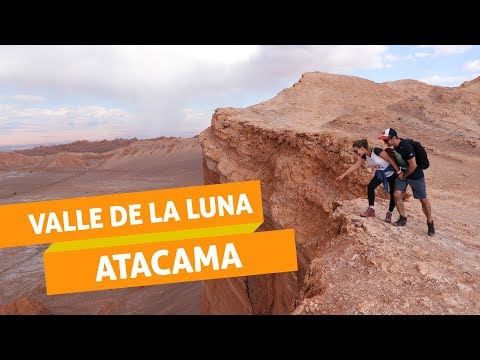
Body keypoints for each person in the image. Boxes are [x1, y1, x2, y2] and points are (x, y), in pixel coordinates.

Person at [378, 128, 435, 236]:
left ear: (394, 138)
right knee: (396, 194)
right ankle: (402, 218)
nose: (385, 143)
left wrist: (404, 175)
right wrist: (400, 173)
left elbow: (413, 165)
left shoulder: (406, 147)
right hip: (403, 174)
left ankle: (430, 222)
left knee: (423, 200)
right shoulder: (395, 146)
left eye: (386, 140)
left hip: (415, 175)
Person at [336, 139, 402, 222]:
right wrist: (343, 175)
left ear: (362, 148)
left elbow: (390, 160)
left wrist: (399, 172)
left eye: (356, 151)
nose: (356, 153)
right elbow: (356, 165)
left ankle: (389, 213)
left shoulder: (376, 151)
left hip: (391, 172)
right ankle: (371, 210)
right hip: (381, 173)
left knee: (393, 193)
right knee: (371, 186)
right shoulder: (365, 155)